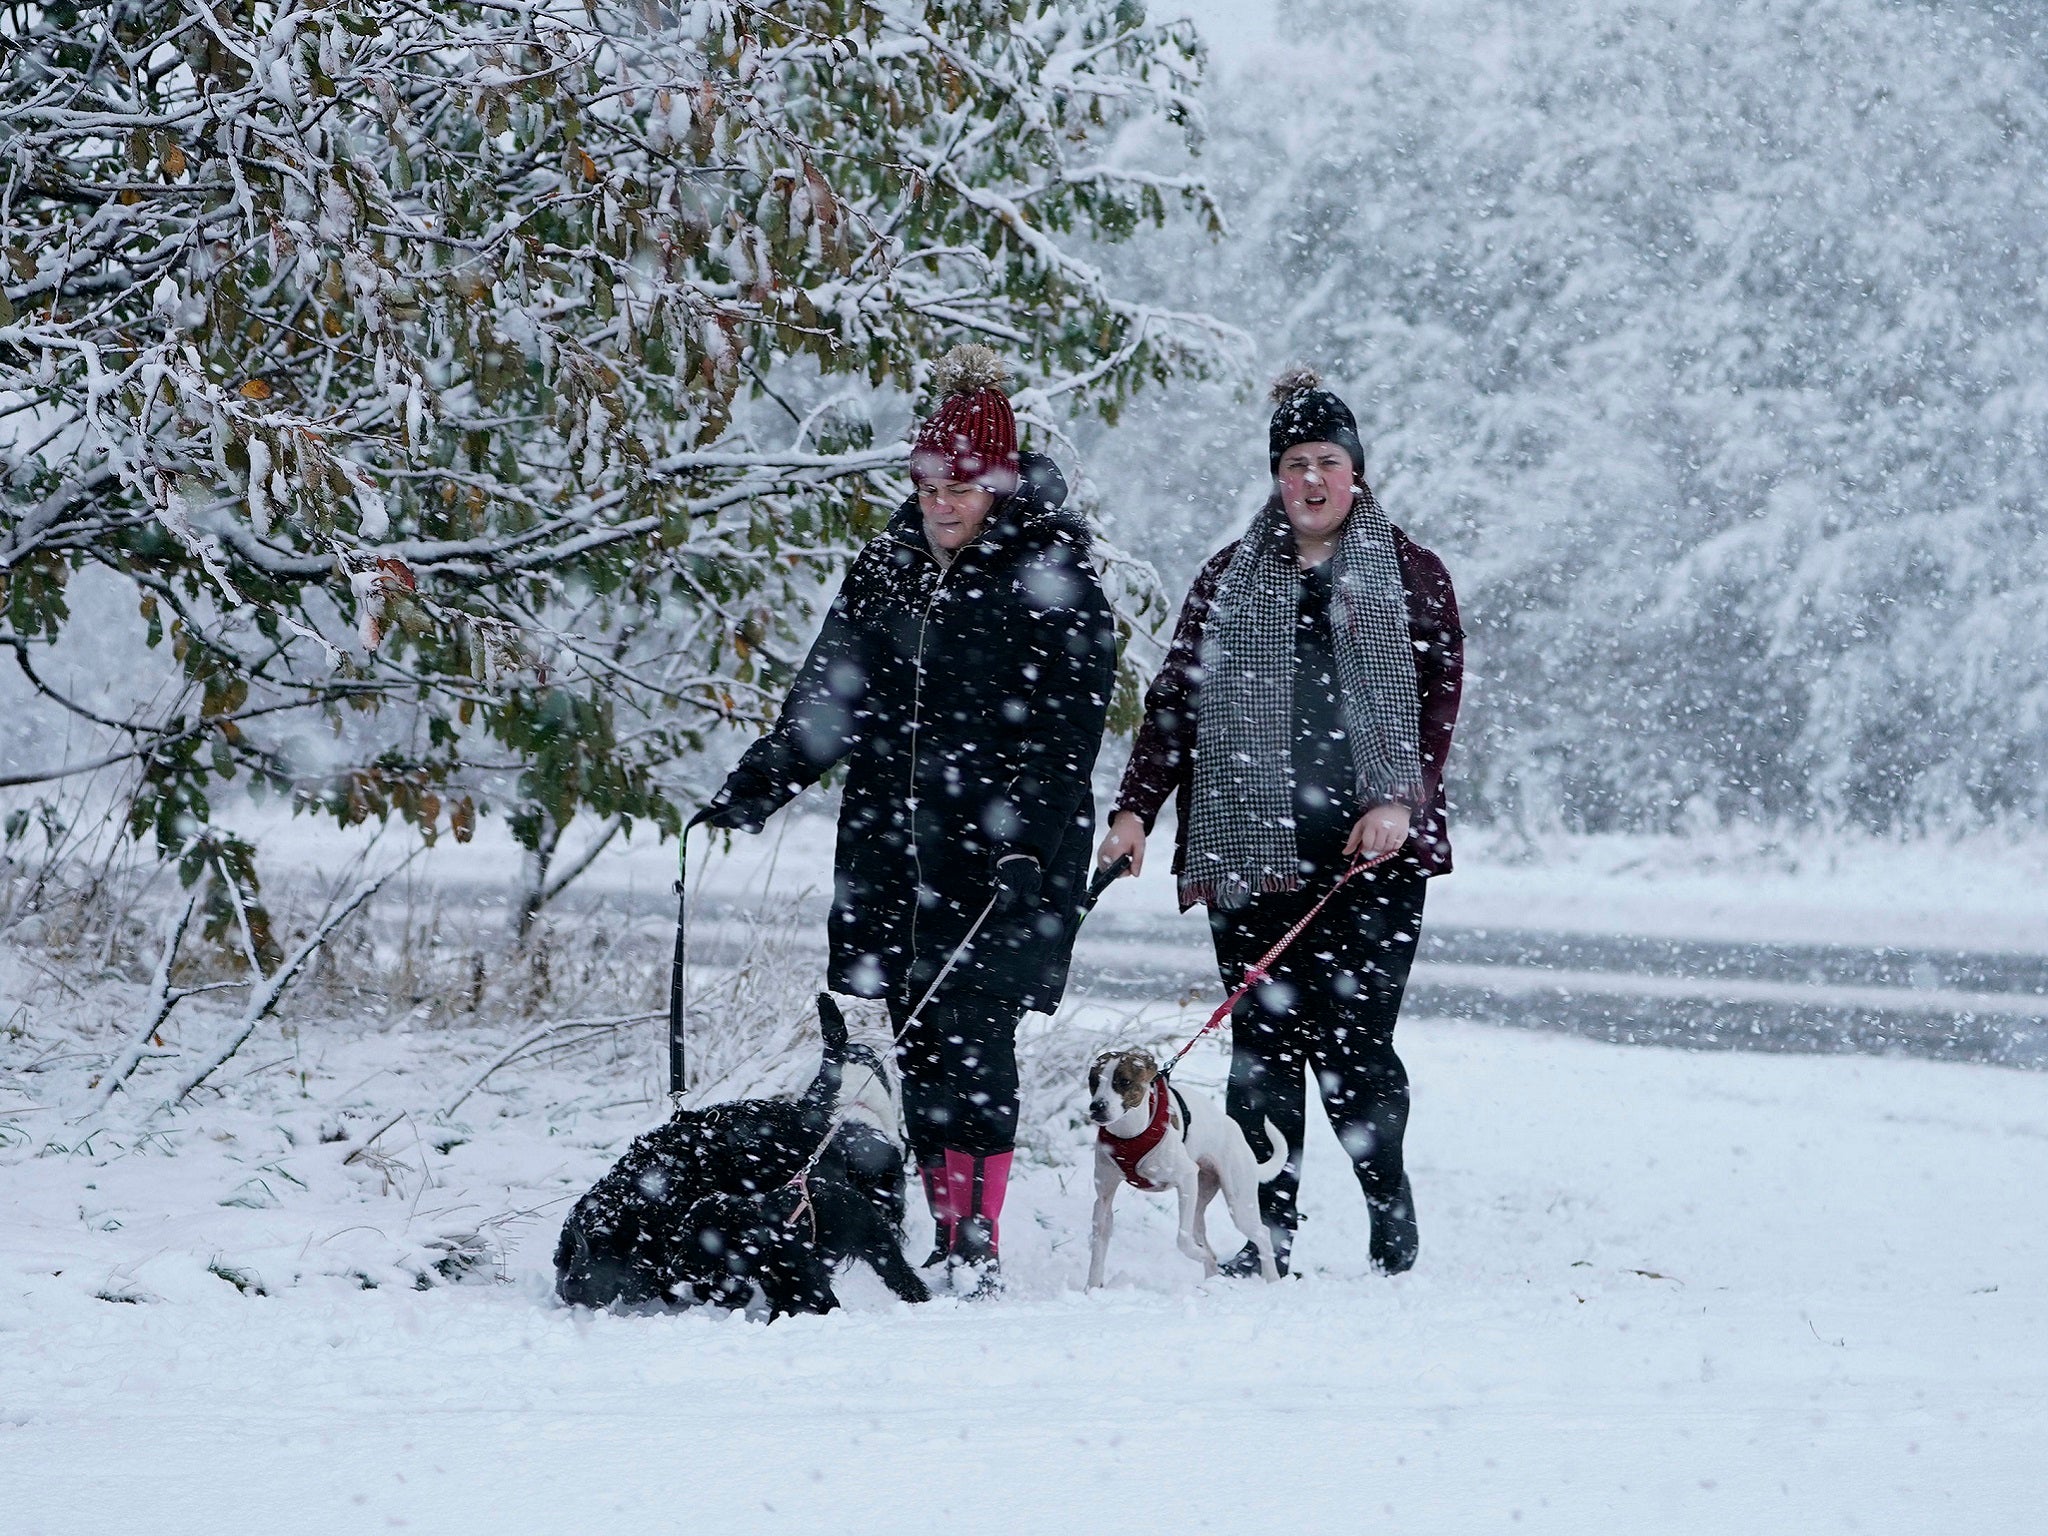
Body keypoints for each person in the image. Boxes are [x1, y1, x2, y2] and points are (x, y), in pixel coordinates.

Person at [698, 345, 1117, 1296]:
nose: (939, 500)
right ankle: (943, 1225)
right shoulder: (886, 566)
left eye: (960, 484)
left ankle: (982, 1237)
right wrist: (765, 780)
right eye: (927, 480)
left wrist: (1025, 848)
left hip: (1010, 849)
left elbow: (1066, 736)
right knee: (919, 1038)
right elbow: (832, 694)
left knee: (979, 1033)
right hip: (896, 842)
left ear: (998, 484)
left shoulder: (1054, 576)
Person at [1097, 367, 1463, 1276]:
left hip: (1369, 854)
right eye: (1293, 462)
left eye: (1327, 462)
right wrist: (1137, 808)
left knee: (1356, 1041)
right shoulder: (1229, 577)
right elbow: (1176, 700)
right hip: (1249, 849)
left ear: (1356, 472)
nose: (1309, 480)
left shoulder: (1410, 574)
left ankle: (1390, 1214)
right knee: (1263, 1047)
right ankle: (1274, 1235)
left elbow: (1438, 703)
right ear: (1274, 473)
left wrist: (1397, 799)